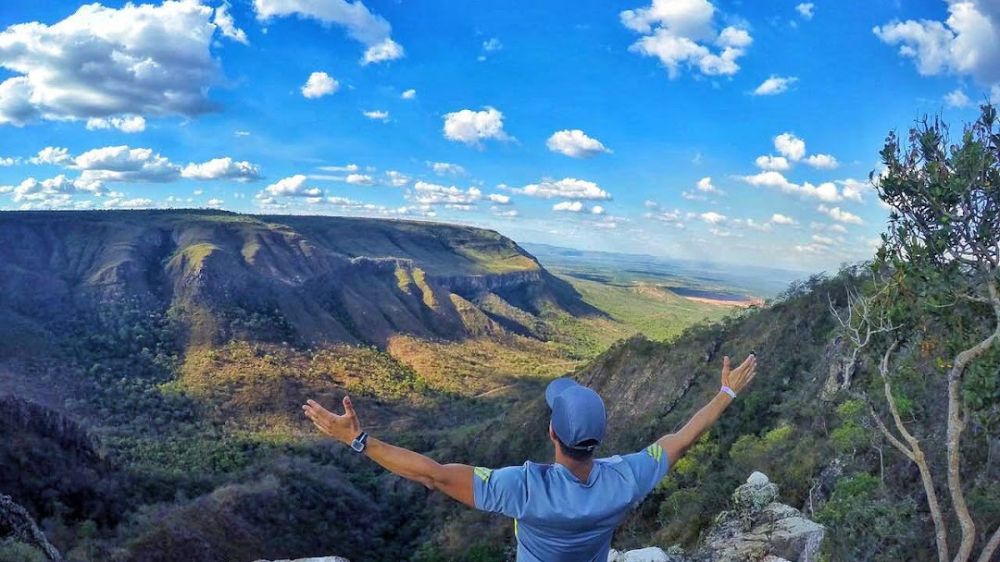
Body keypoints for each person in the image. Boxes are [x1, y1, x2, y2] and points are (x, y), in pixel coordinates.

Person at [303, 353, 757, 562]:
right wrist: (726, 393)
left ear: (551, 432)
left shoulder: (522, 488)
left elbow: (435, 476)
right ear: (600, 438)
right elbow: (683, 438)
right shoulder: (629, 479)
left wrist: (358, 440)